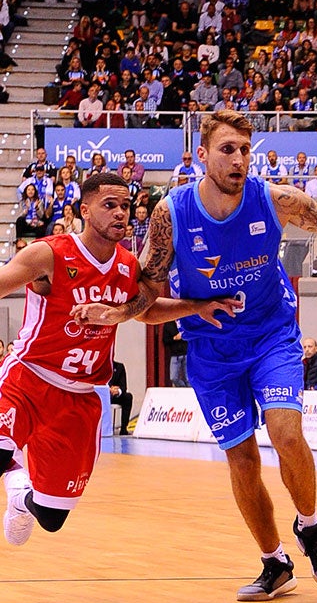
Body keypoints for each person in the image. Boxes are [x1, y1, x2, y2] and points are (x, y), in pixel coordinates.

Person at [75, 111, 317, 601]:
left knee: (285, 430)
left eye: (244, 149)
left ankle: (309, 525)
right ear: (202, 156)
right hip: (211, 350)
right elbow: (150, 292)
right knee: (240, 459)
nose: (239, 159)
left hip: (271, 336)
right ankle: (274, 561)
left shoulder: (272, 199)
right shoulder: (170, 212)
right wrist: (119, 313)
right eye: (227, 149)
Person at [0, 175, 218, 547]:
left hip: (81, 396)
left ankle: (20, 494)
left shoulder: (128, 264)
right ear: (84, 211)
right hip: (28, 379)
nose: (121, 213)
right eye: (110, 205)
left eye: (126, 207)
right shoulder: (48, 253)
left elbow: (145, 311)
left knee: (52, 518)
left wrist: (197, 307)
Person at [109, 360, 133, 436]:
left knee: (128, 397)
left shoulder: (119, 367)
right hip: (102, 395)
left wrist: (117, 391)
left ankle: (123, 429)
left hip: (114, 395)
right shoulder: (98, 366)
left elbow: (123, 386)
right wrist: (108, 389)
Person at [164, 320, 189, 387]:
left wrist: (184, 336)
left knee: (188, 378)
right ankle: (184, 389)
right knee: (173, 377)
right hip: (175, 354)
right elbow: (165, 340)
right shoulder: (168, 325)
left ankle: (190, 392)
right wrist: (175, 338)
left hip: (186, 353)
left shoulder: (185, 322)